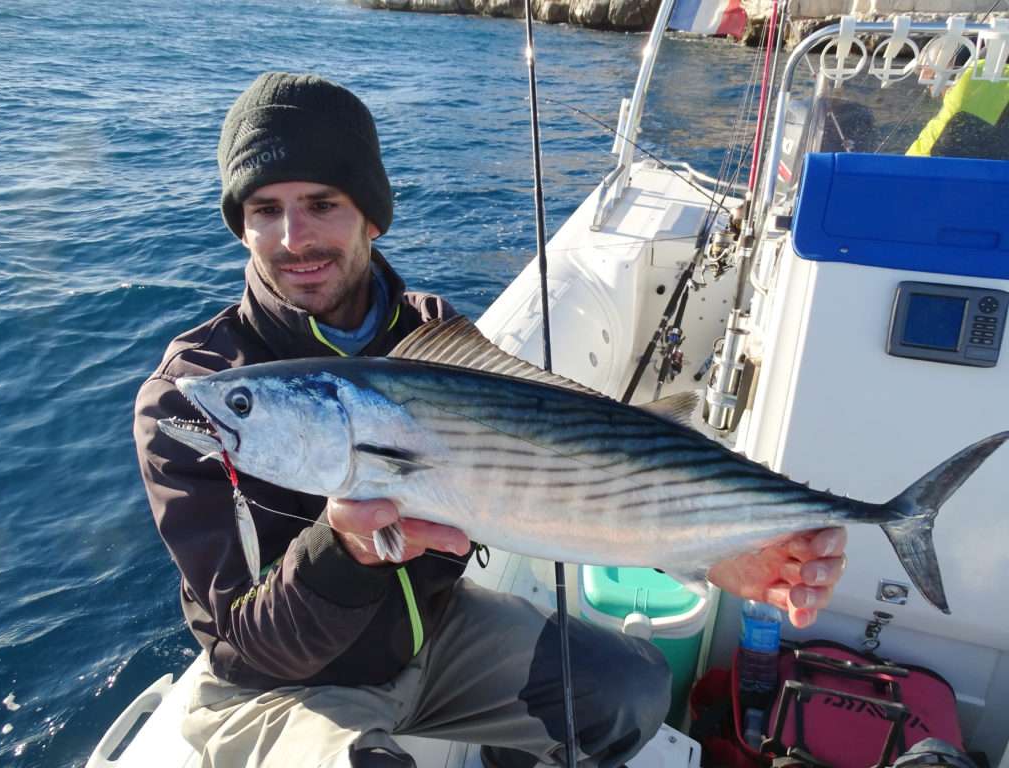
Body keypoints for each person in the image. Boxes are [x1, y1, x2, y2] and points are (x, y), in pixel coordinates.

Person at [133, 72, 849, 768]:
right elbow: (251, 644)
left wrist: (713, 553)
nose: (293, 237)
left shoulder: (433, 335)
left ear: (372, 215)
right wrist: (344, 551)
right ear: (241, 225)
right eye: (264, 210)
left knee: (631, 689)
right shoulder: (192, 393)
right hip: (281, 687)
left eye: (323, 203)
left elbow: (552, 475)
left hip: (431, 638)